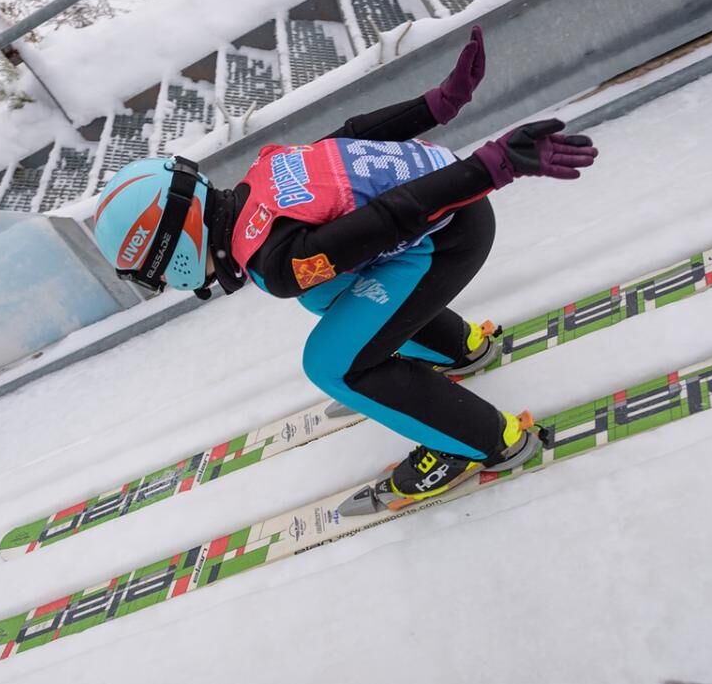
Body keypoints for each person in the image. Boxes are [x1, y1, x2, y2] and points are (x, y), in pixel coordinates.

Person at [91, 27, 599, 514]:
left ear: (169, 253)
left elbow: (385, 220)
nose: (163, 286)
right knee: (324, 294)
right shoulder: (262, 177)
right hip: (444, 218)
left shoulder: (276, 261)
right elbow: (353, 138)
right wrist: (437, 104)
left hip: (446, 236)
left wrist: (489, 169)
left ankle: (483, 442)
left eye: (152, 276)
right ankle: (458, 348)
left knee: (333, 365)